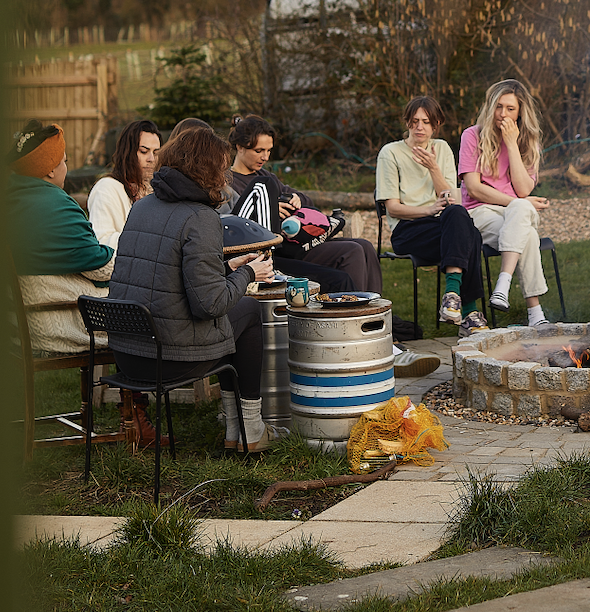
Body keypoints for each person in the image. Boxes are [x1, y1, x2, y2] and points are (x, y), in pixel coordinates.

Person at [106, 125, 282, 452]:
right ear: (207, 170)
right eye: (221, 167)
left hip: (128, 355)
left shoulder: (142, 206)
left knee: (237, 312)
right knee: (247, 311)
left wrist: (227, 267)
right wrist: (248, 273)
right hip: (168, 359)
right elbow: (210, 305)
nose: (226, 176)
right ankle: (248, 428)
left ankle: (236, 429)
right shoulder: (201, 217)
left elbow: (167, 273)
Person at [375, 96, 488, 339]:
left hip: (441, 225)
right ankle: (467, 311)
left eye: (426, 122)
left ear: (435, 124)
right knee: (470, 236)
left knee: (458, 216)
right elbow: (393, 208)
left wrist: (433, 167)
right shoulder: (391, 153)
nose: (420, 127)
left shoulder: (442, 148)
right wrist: (428, 209)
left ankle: (452, 301)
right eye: (415, 121)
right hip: (408, 229)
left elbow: (452, 199)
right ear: (407, 122)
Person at [228, 114, 379, 294]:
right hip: (278, 252)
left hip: (298, 241)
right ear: (240, 147)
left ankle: (375, 304)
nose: (265, 157)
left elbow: (307, 202)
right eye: (259, 151)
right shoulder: (230, 183)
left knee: (365, 246)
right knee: (352, 251)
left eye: (269, 150)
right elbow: (235, 225)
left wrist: (296, 198)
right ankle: (354, 307)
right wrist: (270, 210)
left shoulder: (266, 176)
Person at [8, 120, 114, 354]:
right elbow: (102, 269)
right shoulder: (55, 206)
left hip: (17, 324)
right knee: (144, 300)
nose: (66, 167)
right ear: (51, 169)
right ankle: (145, 383)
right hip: (56, 323)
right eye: (65, 161)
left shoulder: (12, 199)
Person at [459, 80, 550, 326]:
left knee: (522, 214)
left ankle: (503, 285)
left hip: (513, 213)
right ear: (490, 107)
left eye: (510, 109)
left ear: (520, 112)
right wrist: (519, 203)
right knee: (528, 234)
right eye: (499, 107)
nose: (503, 114)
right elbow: (475, 188)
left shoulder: (528, 140)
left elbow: (523, 188)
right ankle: (535, 313)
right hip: (479, 210)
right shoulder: (472, 135)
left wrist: (511, 144)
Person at [87, 119, 162, 250]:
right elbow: (101, 242)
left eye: (156, 153)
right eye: (144, 151)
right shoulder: (107, 188)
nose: (151, 159)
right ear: (128, 153)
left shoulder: (156, 190)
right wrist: (148, 239)